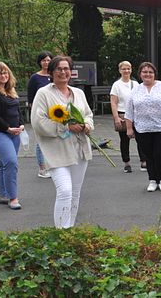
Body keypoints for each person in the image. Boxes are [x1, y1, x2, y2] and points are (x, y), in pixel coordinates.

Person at [31, 56, 94, 228]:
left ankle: (69, 229)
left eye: (66, 68)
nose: (63, 72)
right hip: (56, 151)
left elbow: (88, 114)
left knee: (75, 193)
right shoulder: (44, 93)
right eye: (58, 69)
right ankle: (61, 232)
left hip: (79, 149)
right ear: (51, 72)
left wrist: (87, 125)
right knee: (65, 190)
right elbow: (38, 122)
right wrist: (65, 128)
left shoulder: (79, 93)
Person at [125, 62, 161, 192]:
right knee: (149, 156)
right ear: (140, 74)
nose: (148, 74)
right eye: (145, 72)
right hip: (142, 129)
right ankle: (152, 180)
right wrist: (129, 128)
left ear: (154, 74)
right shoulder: (135, 90)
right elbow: (129, 110)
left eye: (150, 72)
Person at [0, 62, 25, 210]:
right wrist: (7, 128)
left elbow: (17, 111)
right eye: (0, 73)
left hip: (15, 133)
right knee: (11, 162)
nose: (3, 75)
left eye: (5, 73)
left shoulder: (11, 91)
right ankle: (13, 198)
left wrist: (21, 124)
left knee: (4, 164)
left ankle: (4, 195)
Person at [109, 61, 143, 173]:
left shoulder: (136, 84)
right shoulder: (116, 85)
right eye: (124, 69)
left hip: (135, 114)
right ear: (120, 70)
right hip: (122, 114)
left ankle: (144, 161)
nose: (126, 71)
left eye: (128, 68)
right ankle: (126, 162)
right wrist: (116, 118)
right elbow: (113, 102)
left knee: (140, 138)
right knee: (124, 140)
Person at [27, 51, 52, 178]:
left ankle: (52, 165)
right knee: (40, 140)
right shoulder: (35, 78)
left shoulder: (54, 76)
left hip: (55, 114)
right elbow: (31, 99)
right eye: (44, 60)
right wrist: (35, 115)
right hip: (40, 114)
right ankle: (42, 168)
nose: (46, 63)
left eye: (48, 60)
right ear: (40, 62)